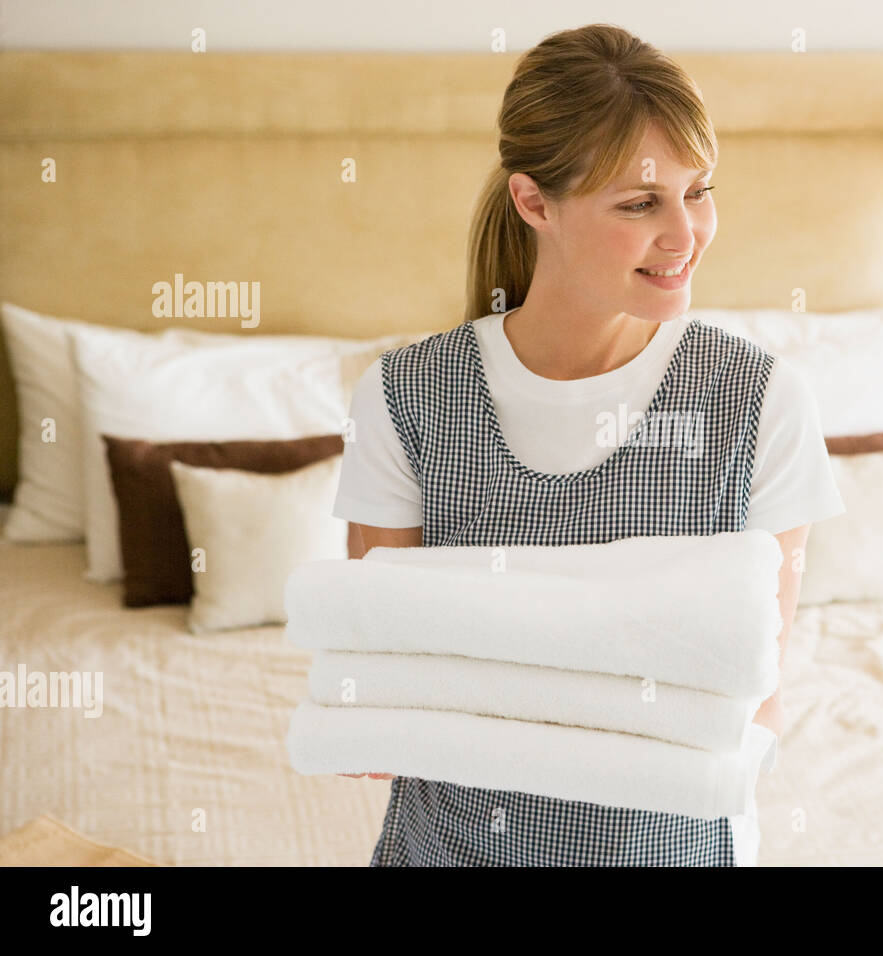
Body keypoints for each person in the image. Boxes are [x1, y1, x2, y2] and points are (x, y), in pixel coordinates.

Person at [331, 22, 845, 866]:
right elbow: (390, 681)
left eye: (700, 190)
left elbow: (757, 692)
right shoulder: (406, 398)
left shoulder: (760, 403)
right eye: (641, 203)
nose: (686, 235)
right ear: (534, 203)